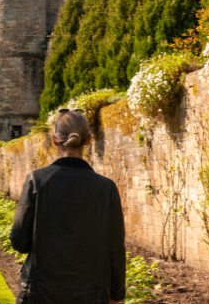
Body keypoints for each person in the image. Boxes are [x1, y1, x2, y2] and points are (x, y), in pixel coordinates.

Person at [10, 110, 126, 304]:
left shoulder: (37, 181)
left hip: (40, 291)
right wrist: (117, 295)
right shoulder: (106, 188)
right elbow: (115, 249)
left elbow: (20, 242)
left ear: (54, 140)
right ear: (89, 140)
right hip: (92, 293)